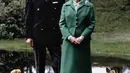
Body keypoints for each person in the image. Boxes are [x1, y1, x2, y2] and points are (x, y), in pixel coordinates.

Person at [25, 0, 64, 73]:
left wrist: (64, 33)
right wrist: (28, 36)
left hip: (54, 35)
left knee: (58, 63)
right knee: (40, 66)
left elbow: (63, 15)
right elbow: (28, 17)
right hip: (38, 35)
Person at [59, 0, 96, 73]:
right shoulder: (66, 6)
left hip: (83, 43)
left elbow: (91, 24)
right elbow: (62, 24)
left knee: (82, 68)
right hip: (68, 43)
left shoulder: (89, 6)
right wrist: (69, 37)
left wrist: (82, 37)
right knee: (68, 68)